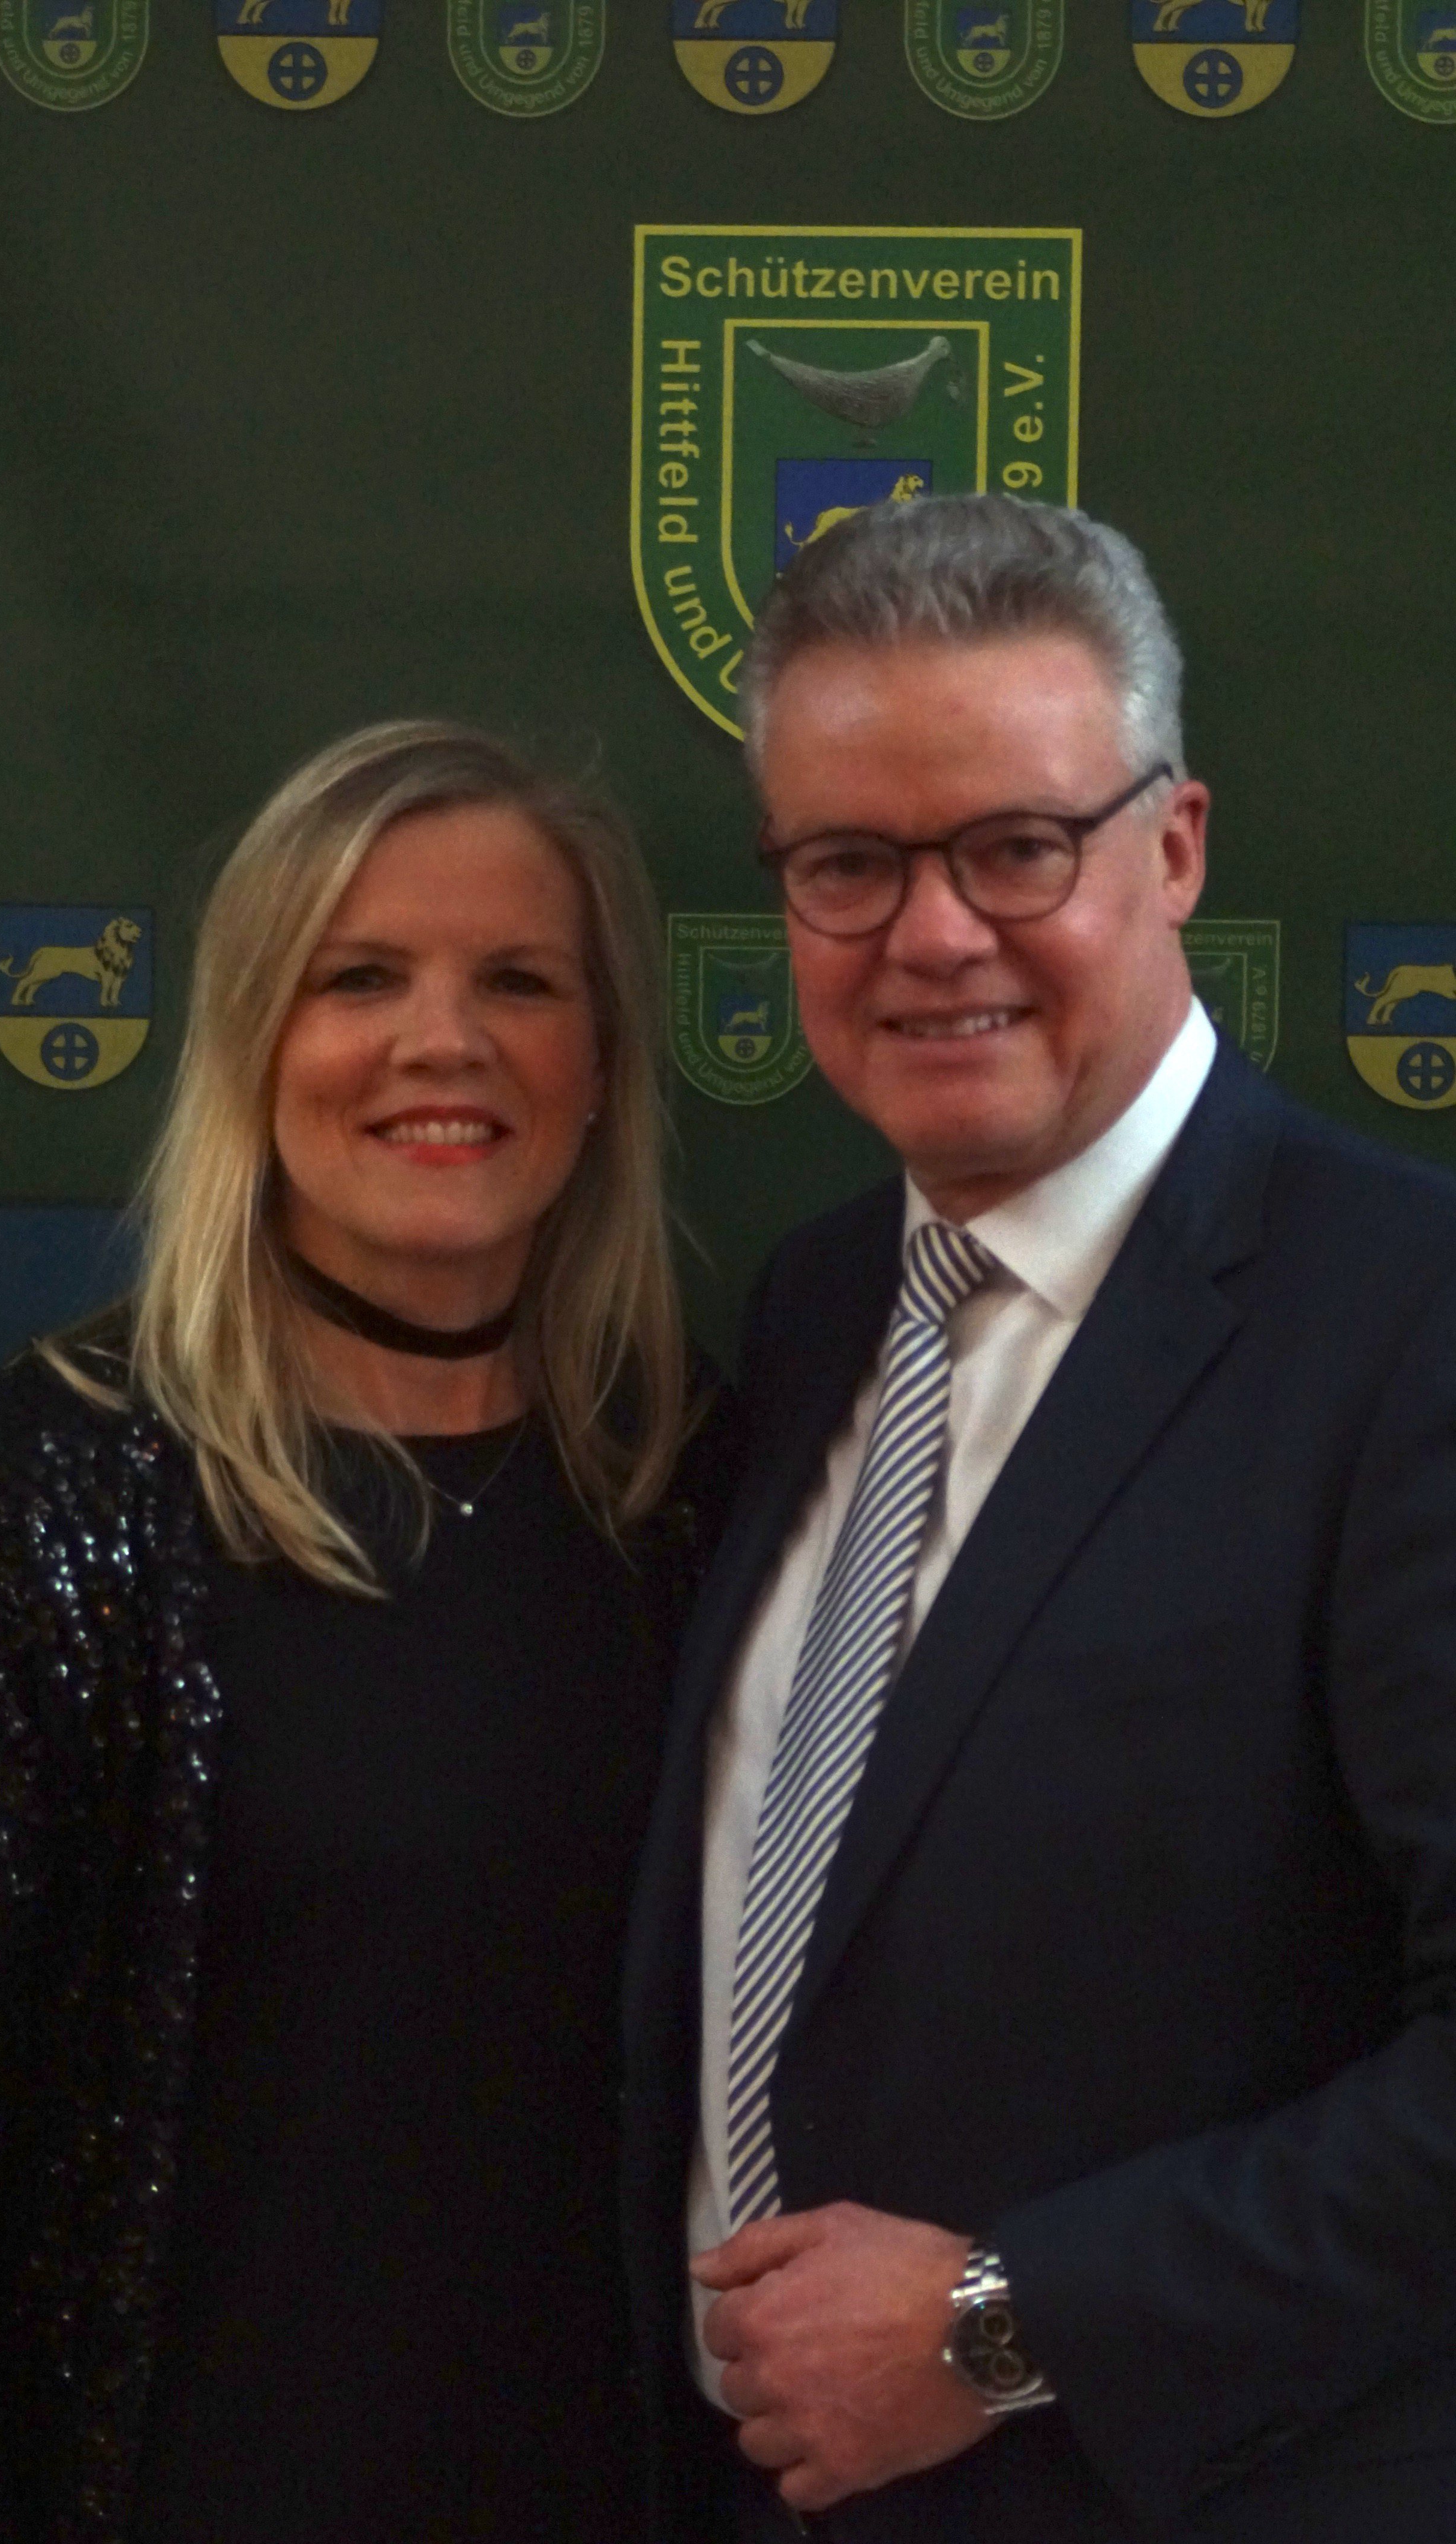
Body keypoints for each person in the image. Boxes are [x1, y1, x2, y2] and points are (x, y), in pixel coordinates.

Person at [0, 720, 725, 2544]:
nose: (443, 1040)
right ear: (252, 1043)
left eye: (519, 981)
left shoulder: (708, 1495)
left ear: (603, 1062)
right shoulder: (26, 1500)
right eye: (359, 978)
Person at [621, 494, 1456, 2544]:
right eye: (850, 864)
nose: (932, 935)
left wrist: (1008, 2323)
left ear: (1173, 848)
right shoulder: (818, 1307)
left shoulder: (1407, 1323)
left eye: (1016, 846)